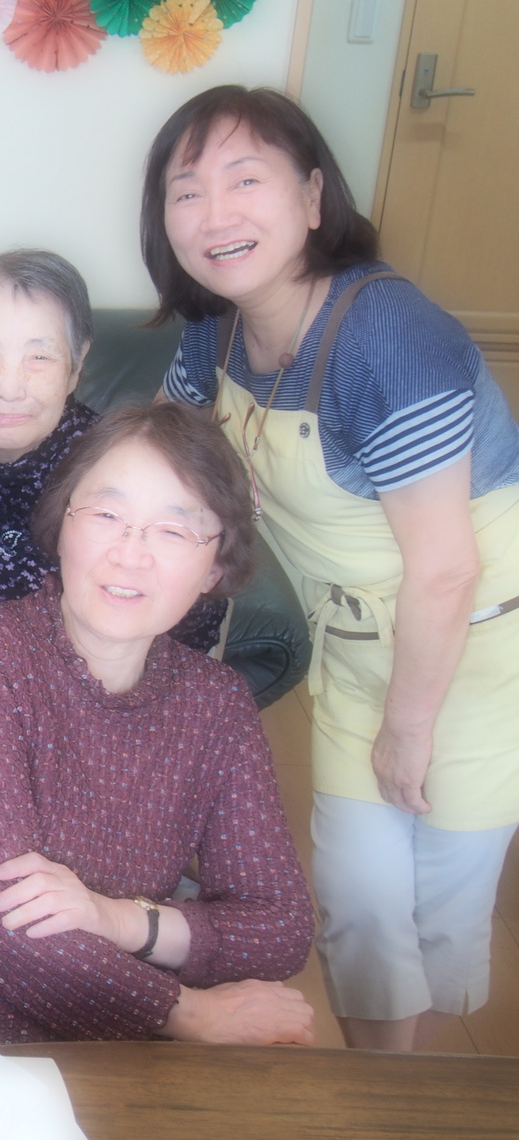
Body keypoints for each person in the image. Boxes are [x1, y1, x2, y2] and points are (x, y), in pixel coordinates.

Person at [0, 402, 316, 1140]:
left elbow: (280, 927)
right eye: (107, 515)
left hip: (103, 1043)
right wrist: (189, 1012)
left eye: (173, 529)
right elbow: (5, 925)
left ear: (215, 566)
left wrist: (117, 918)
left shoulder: (217, 706)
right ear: (61, 527)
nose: (130, 554)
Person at [145, 85, 519, 1052]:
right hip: (355, 653)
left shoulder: (388, 338)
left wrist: (409, 730)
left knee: (440, 909)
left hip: (474, 660)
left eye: (246, 180)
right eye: (187, 191)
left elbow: (446, 572)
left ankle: (422, 1098)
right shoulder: (215, 328)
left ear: (313, 197)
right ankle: (375, 1096)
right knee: (357, 902)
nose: (215, 214)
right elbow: (162, 459)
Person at [0, 248, 226, 661]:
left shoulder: (111, 463)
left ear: (76, 366)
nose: (10, 388)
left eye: (40, 357)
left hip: (80, 687)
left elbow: (188, 616)